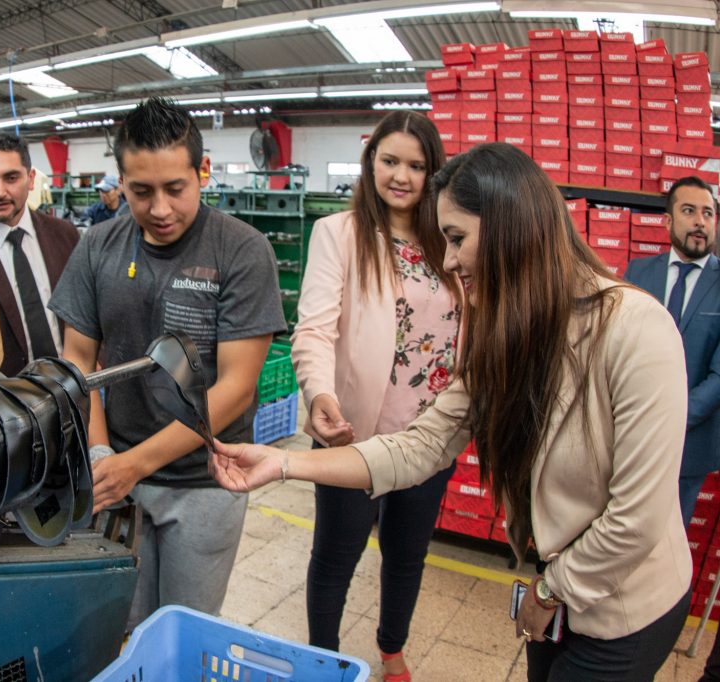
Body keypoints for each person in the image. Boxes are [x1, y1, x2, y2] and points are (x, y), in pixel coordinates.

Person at [212, 143, 693, 681]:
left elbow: (638, 520)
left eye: (458, 239)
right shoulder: (505, 331)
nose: (447, 261)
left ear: (513, 225)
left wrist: (550, 590)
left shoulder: (637, 331)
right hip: (557, 595)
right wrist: (284, 465)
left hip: (624, 611)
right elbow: (420, 444)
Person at [48, 96, 286, 631]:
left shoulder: (242, 251)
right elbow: (78, 360)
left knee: (186, 628)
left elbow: (236, 389)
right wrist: (104, 452)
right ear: (121, 181)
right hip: (120, 474)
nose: (160, 209)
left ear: (201, 172)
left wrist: (137, 462)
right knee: (123, 626)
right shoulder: (97, 247)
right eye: (141, 191)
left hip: (206, 481)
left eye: (175, 189)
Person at [292, 110, 460, 682]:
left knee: (407, 554)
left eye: (417, 165)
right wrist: (318, 393)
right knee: (336, 555)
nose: (402, 176)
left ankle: (392, 650)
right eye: (390, 161)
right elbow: (314, 328)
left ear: (433, 172)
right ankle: (323, 658)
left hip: (430, 436)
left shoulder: (450, 242)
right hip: (352, 432)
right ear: (370, 163)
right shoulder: (338, 234)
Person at [624, 176, 720, 527]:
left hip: (688, 444)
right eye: (689, 211)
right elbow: (620, 349)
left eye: (708, 213)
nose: (700, 221)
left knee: (667, 546)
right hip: (629, 435)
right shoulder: (638, 273)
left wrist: (671, 418)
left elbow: (719, 377)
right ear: (668, 220)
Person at [0, 133, 79, 375]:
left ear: (30, 179)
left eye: (11, 178)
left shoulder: (65, 235)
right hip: (4, 398)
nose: (0, 192)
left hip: (73, 385)